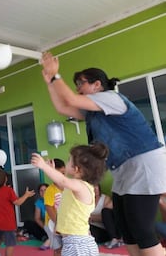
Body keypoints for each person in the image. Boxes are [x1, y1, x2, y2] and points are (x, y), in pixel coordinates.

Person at [41, 51, 166, 256]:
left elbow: (70, 99)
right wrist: (49, 81)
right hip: (122, 171)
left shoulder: (111, 98)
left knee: (143, 231)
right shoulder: (91, 112)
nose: (77, 88)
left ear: (97, 85)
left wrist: (56, 76)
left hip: (144, 165)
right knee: (128, 231)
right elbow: (63, 107)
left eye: (81, 83)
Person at [31, 143, 108, 256]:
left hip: (79, 244)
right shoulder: (75, 187)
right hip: (72, 242)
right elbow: (61, 183)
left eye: (69, 160)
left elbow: (63, 181)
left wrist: (44, 166)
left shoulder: (81, 186)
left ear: (76, 169)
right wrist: (53, 171)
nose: (66, 163)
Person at [0, 167, 35, 256]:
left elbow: (2, 195)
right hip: (7, 223)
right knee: (10, 243)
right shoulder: (9, 190)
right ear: (5, 178)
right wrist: (26, 195)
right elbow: (18, 202)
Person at [42, 158, 65, 255]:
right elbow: (49, 208)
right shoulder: (50, 190)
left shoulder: (67, 187)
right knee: (58, 249)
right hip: (52, 223)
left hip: (64, 223)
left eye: (63, 173)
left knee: (66, 247)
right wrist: (57, 223)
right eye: (58, 173)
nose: (61, 176)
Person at [89, 184, 122, 248]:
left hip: (104, 228)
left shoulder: (105, 198)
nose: (95, 190)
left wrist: (91, 217)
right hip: (92, 226)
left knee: (105, 211)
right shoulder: (86, 199)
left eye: (96, 188)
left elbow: (106, 217)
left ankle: (115, 239)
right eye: (92, 188)